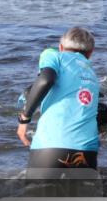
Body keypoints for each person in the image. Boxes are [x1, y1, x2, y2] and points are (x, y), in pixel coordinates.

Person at [17, 27, 101, 172]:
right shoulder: (91, 73)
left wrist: (24, 119)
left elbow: (45, 80)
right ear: (90, 53)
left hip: (50, 147)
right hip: (87, 151)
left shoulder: (53, 55)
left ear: (61, 47)